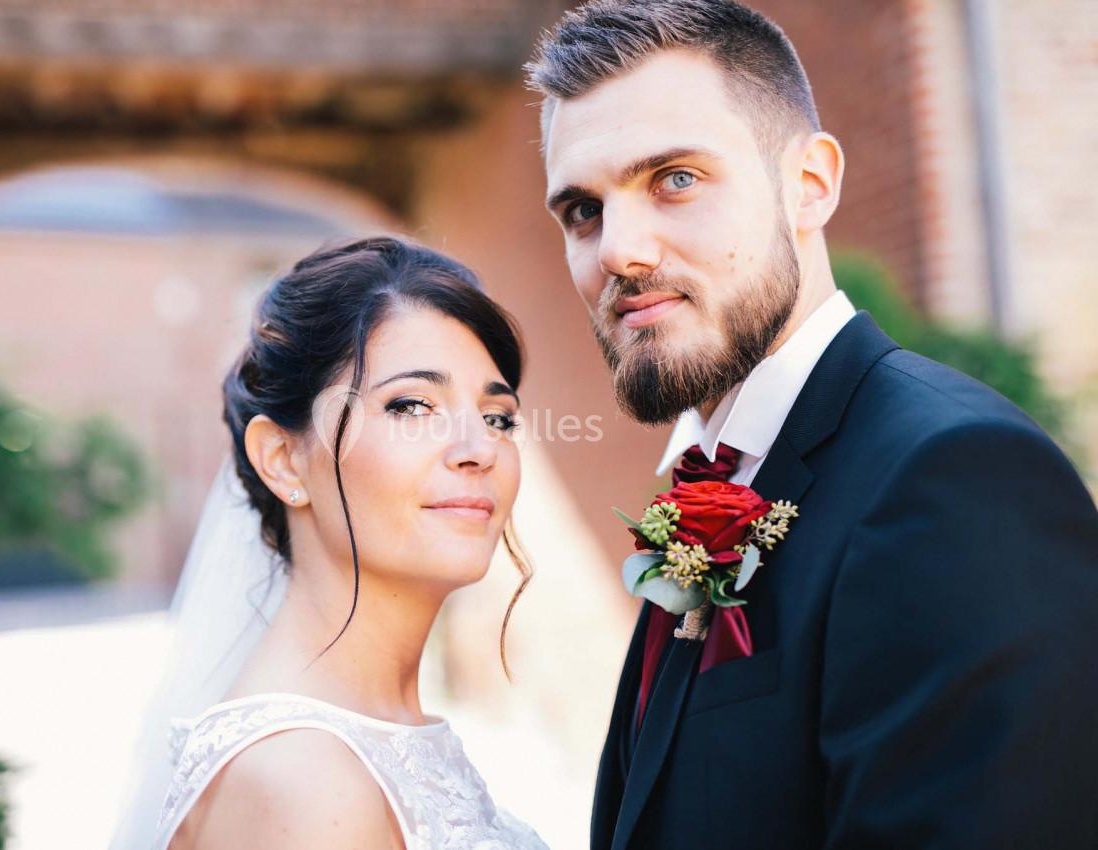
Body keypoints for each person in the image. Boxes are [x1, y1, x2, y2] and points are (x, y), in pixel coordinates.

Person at [526, 2, 1098, 849]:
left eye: (675, 179)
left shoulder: (955, 478)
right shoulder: (706, 491)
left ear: (810, 184)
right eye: (583, 211)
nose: (618, 249)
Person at [113, 236, 551, 849]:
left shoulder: (368, 735)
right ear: (284, 461)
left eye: (497, 417)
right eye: (411, 405)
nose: (479, 449)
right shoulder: (305, 783)